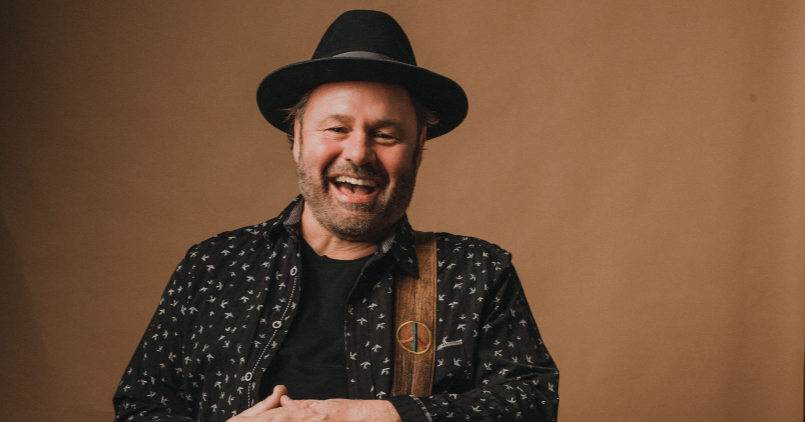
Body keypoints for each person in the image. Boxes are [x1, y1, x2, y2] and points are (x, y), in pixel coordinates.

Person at [113, 10, 559, 422]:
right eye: (337, 129)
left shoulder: (476, 273)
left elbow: (533, 403)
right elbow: (140, 406)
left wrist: (382, 416)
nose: (359, 152)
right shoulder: (213, 266)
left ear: (419, 148)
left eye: (386, 134)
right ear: (297, 138)